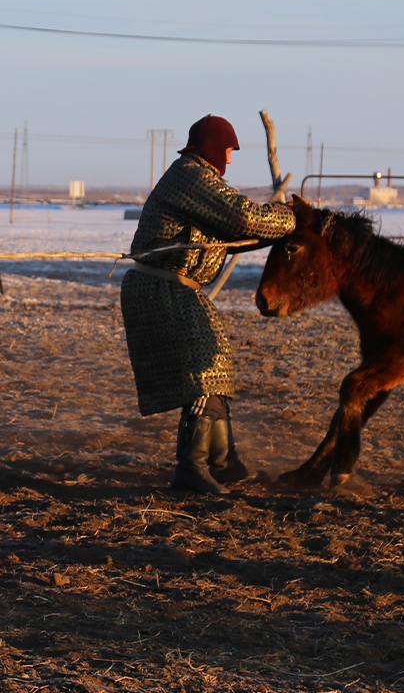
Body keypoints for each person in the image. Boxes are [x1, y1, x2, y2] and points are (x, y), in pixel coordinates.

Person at [122, 115, 295, 494]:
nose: (230, 161)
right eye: (229, 151)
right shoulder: (191, 177)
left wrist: (277, 226)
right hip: (160, 287)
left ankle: (223, 462)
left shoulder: (199, 180)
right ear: (213, 147)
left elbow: (240, 233)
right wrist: (290, 218)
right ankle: (190, 467)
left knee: (216, 366)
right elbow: (244, 218)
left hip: (177, 288)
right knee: (204, 369)